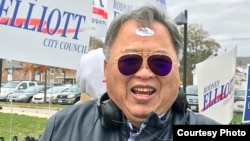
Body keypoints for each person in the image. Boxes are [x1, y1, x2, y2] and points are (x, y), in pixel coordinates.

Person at [39, 5, 219, 141]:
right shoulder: (62, 127)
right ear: (106, 70)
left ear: (177, 72)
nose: (145, 73)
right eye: (129, 61)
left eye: (160, 62)